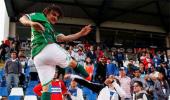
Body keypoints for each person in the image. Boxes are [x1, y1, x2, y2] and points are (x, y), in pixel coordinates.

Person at [19, 5, 91, 100]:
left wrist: (80, 33)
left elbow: (65, 38)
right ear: (46, 12)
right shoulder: (40, 16)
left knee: (46, 87)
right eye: (53, 14)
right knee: (72, 62)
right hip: (46, 48)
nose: (55, 18)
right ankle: (89, 78)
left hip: (37, 57)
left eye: (57, 17)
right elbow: (23, 18)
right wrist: (31, 23)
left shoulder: (52, 31)